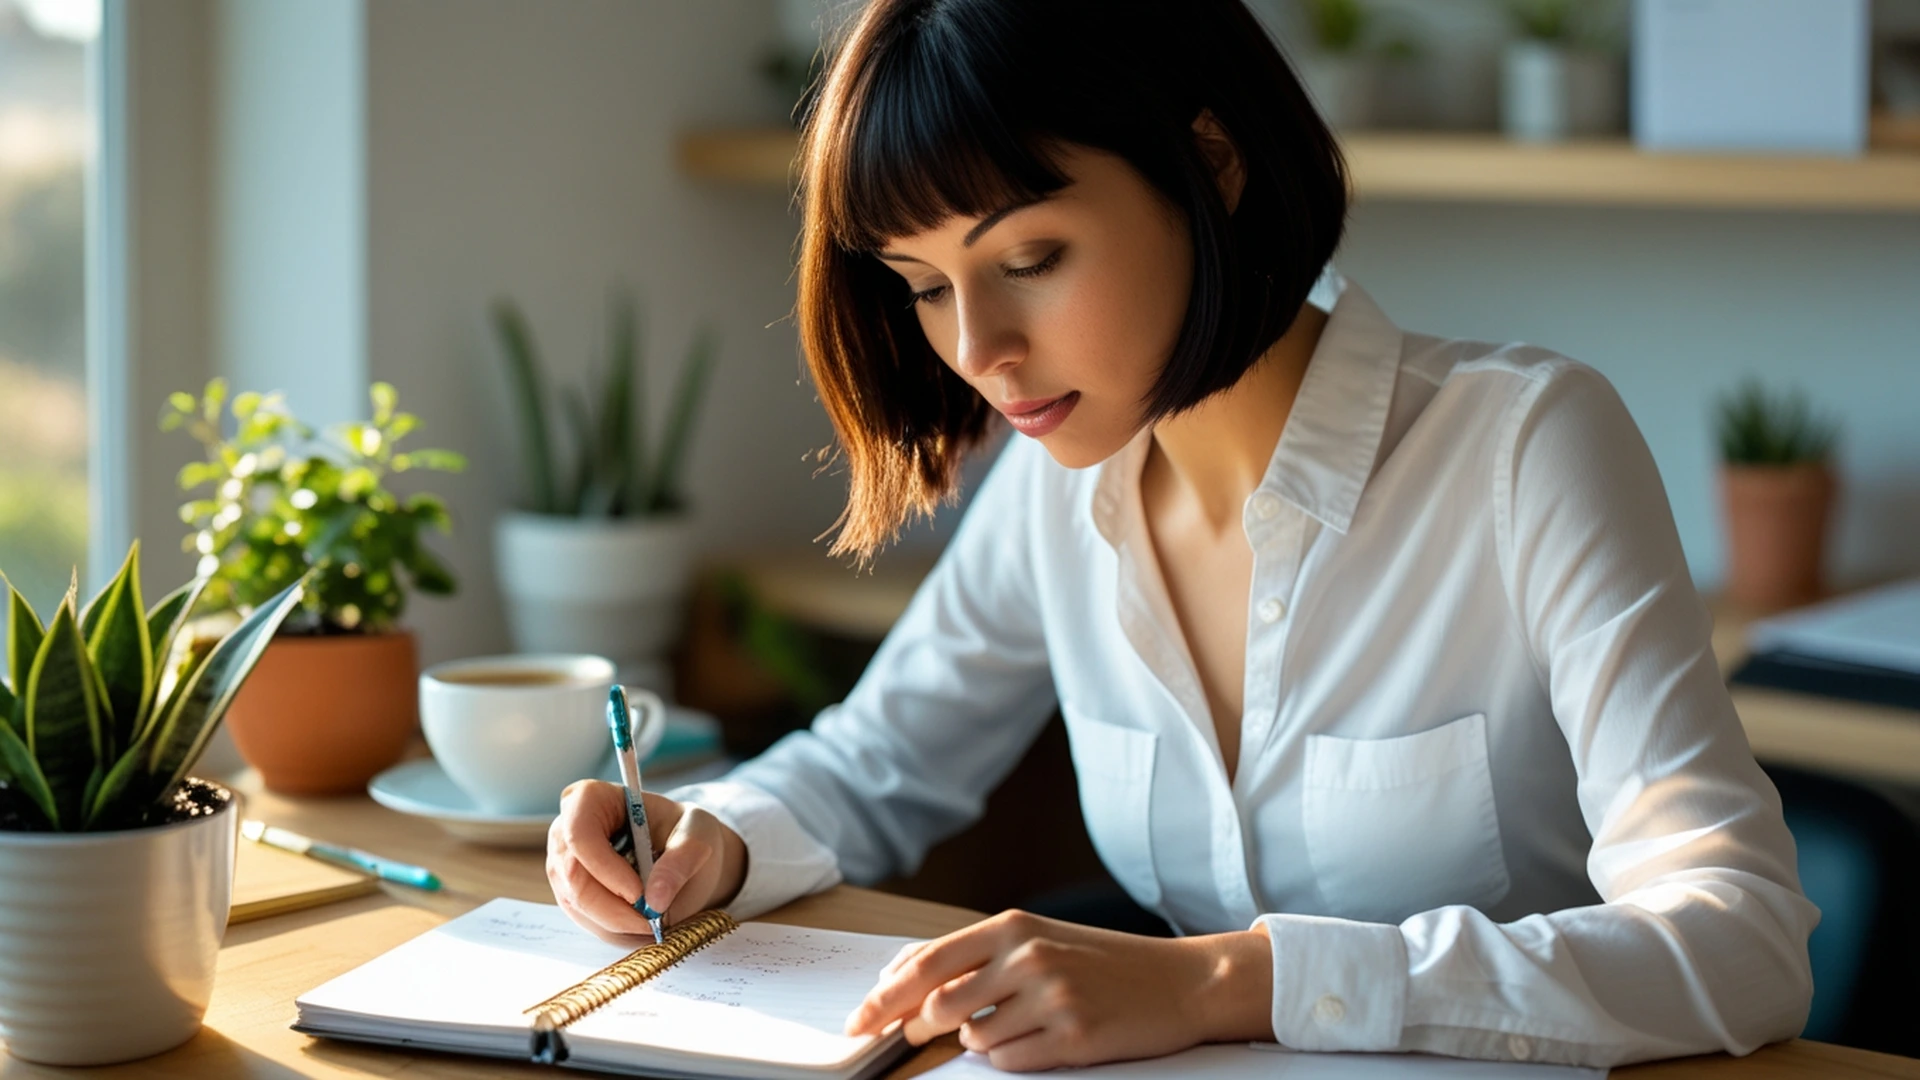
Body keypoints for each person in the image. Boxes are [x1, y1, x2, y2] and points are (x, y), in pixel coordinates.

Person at [545, 0, 1818, 1071]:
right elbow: (877, 762)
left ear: (1211, 164)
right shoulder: (1061, 477)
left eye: (1031, 256)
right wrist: (713, 839)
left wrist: (1224, 981)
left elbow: (1741, 942)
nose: (978, 350)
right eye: (926, 286)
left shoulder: (1524, 447)